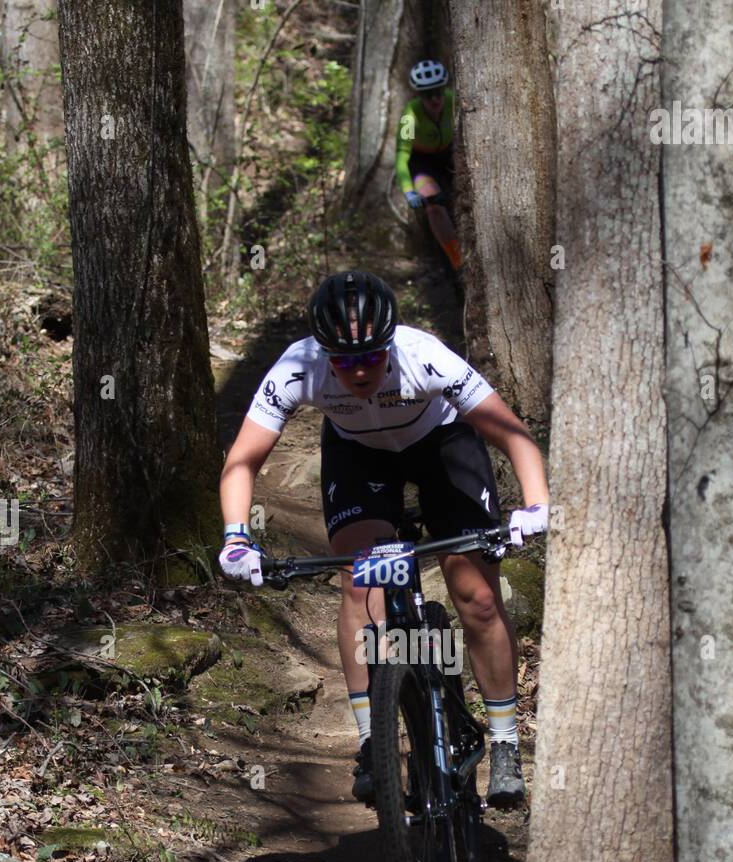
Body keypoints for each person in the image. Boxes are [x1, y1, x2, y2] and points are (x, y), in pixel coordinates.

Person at [218, 269, 549, 808]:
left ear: (390, 344)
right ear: (324, 355)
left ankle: (506, 742)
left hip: (441, 445)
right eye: (344, 362)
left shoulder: (425, 357)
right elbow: (242, 460)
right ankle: (373, 740)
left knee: (478, 597)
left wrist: (536, 506)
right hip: (360, 457)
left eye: (372, 357)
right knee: (362, 582)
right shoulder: (299, 368)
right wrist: (236, 538)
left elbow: (513, 435)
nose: (360, 370)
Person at [395, 60, 461, 272]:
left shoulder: (454, 101)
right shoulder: (409, 115)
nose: (434, 99)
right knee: (433, 206)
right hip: (422, 162)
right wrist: (408, 192)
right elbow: (401, 156)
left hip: (448, 155)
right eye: (427, 94)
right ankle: (457, 260)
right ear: (418, 96)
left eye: (438, 92)